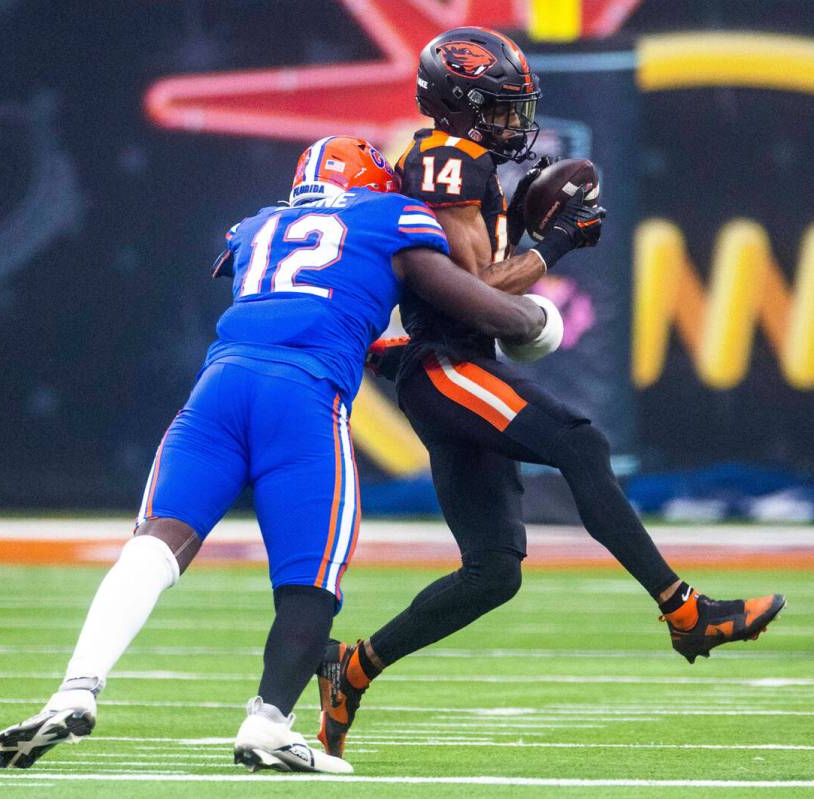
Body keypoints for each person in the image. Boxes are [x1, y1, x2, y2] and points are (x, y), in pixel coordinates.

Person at [0, 135, 550, 774]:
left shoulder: (258, 225)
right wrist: (537, 296)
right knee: (311, 580)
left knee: (155, 541)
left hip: (218, 390)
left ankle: (76, 689)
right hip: (303, 398)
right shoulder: (393, 216)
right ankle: (269, 723)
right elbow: (476, 300)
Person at [316, 27, 786, 759]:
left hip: (447, 364)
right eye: (501, 109)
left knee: (493, 572)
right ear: (461, 107)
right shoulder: (448, 158)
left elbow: (465, 282)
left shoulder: (464, 163)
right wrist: (554, 244)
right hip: (448, 367)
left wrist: (535, 242)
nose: (515, 124)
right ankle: (685, 610)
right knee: (580, 440)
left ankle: (354, 667)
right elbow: (470, 293)